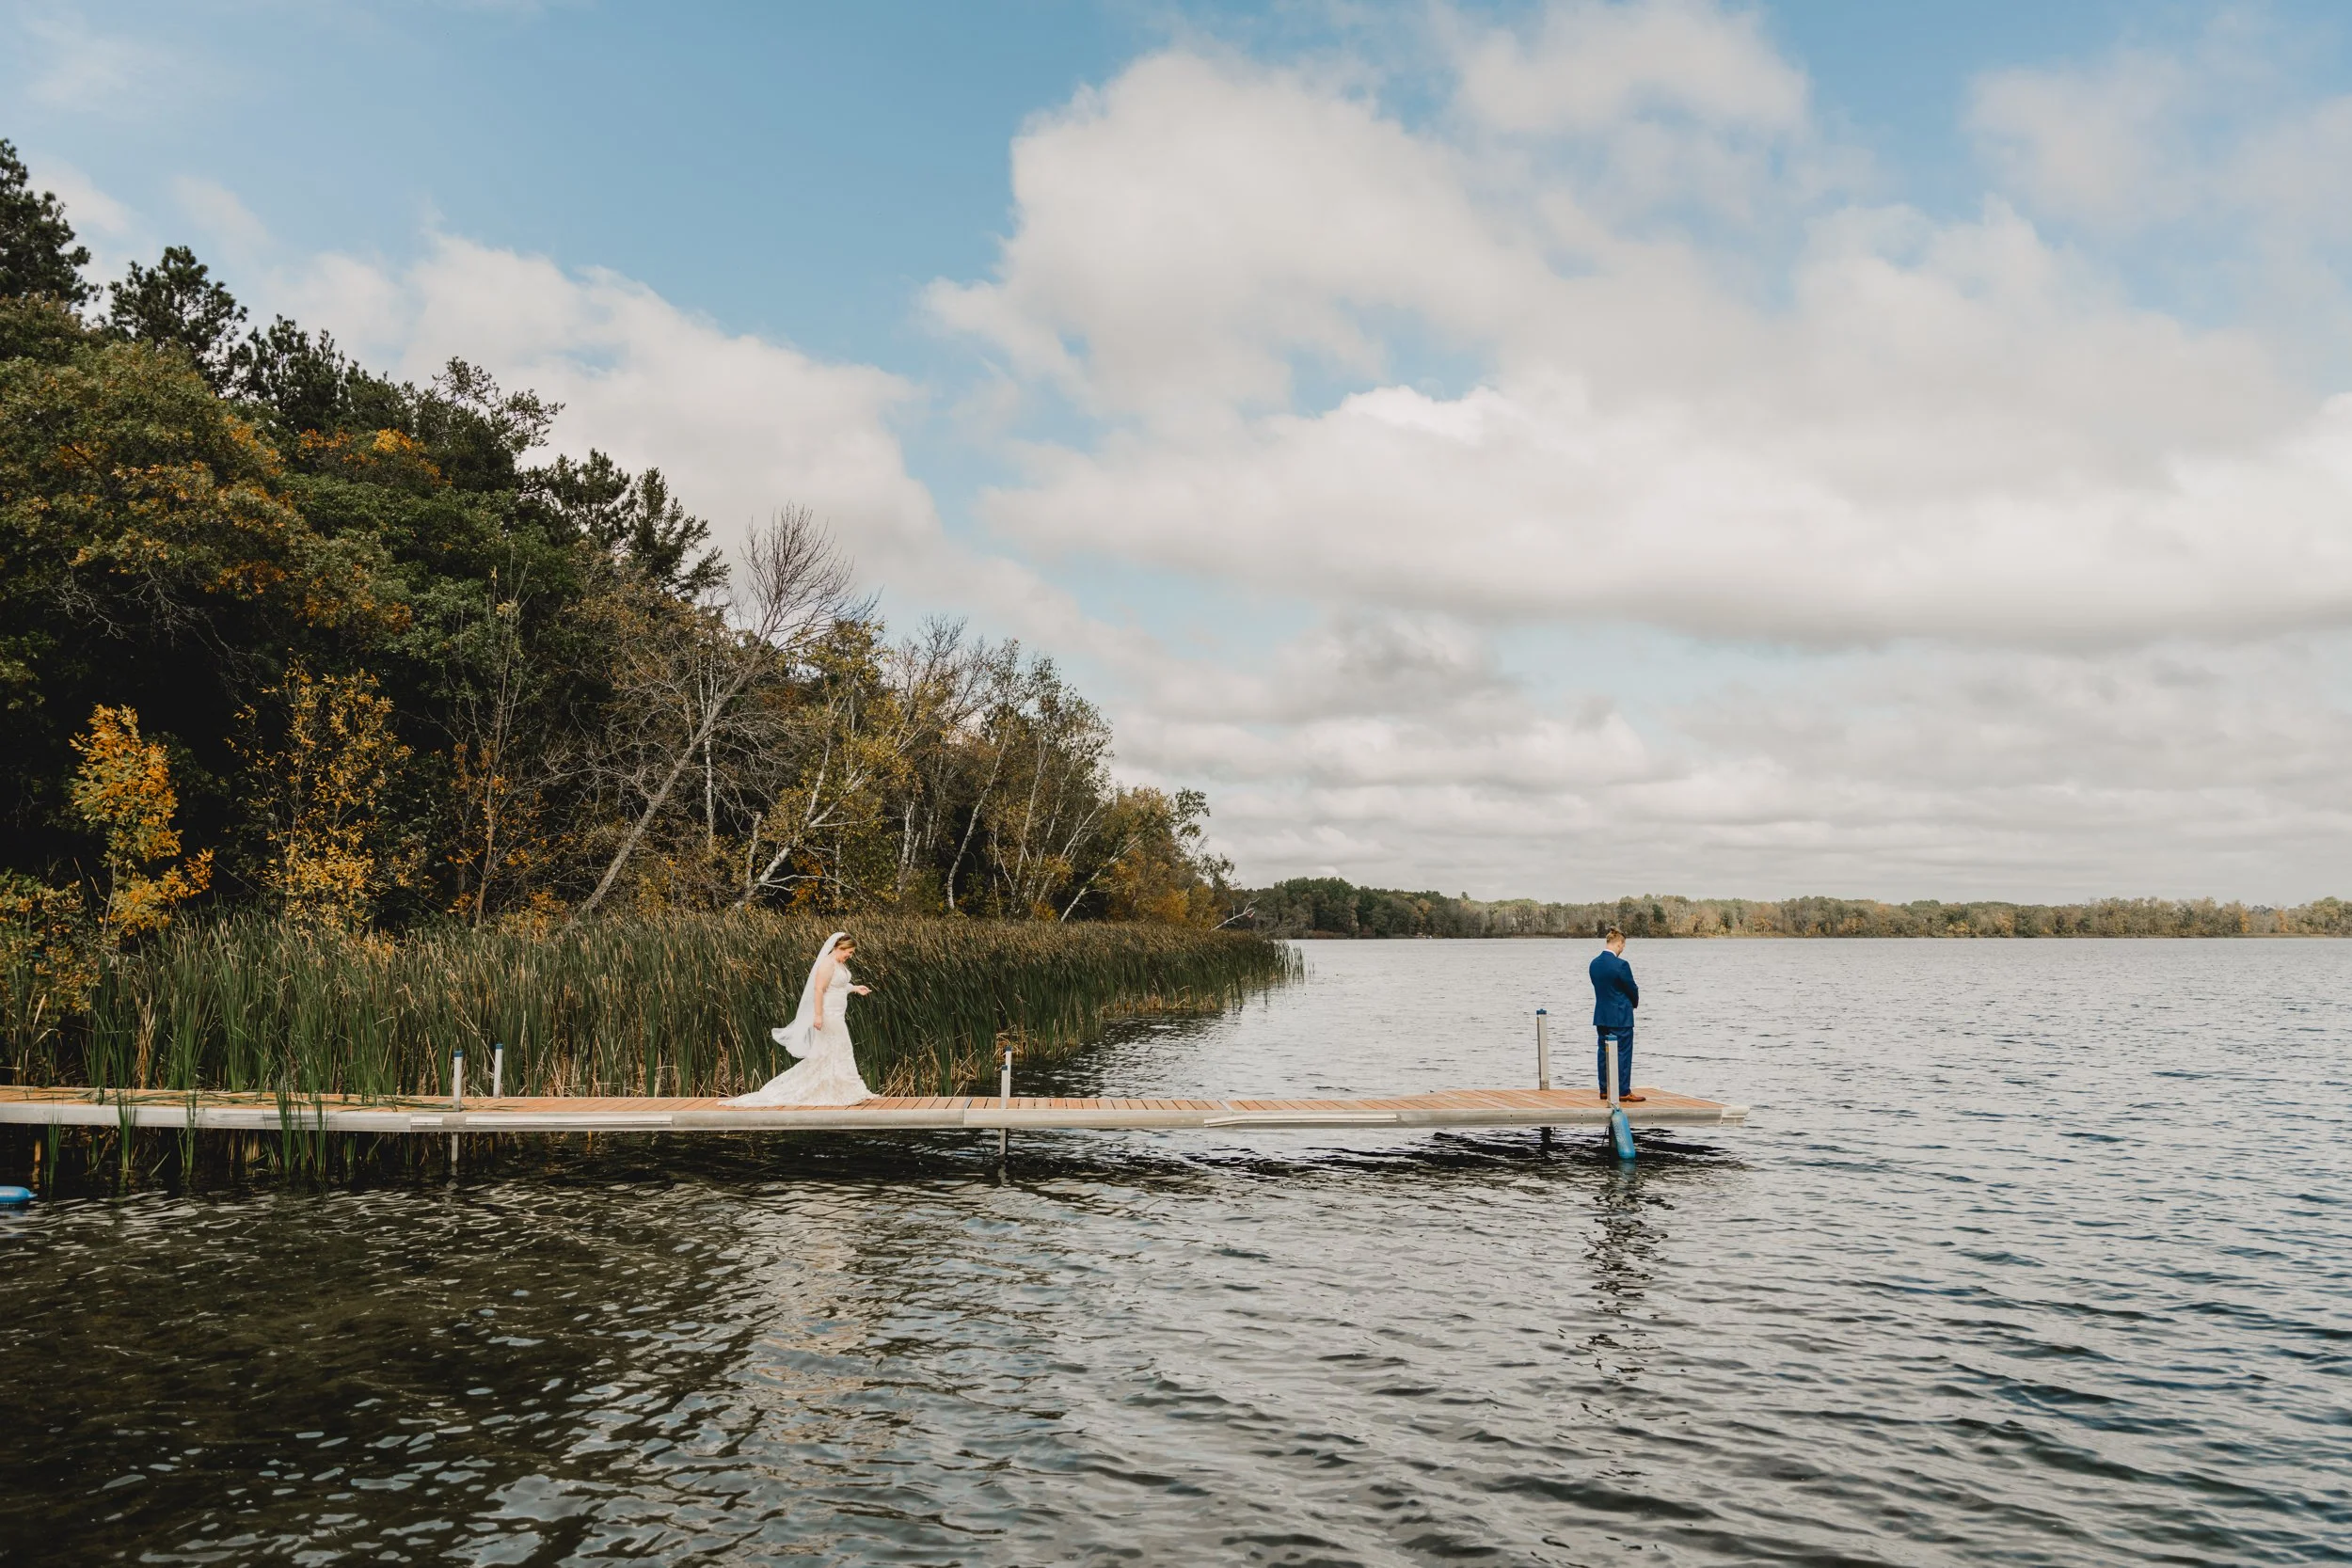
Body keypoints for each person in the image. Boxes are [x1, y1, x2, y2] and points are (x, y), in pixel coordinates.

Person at [724, 931, 875, 1106]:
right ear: (838, 948)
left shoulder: (838, 964)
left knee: (831, 1052)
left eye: (851, 953)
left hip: (838, 1013)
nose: (850, 956)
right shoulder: (827, 964)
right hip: (828, 1014)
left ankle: (841, 1090)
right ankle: (851, 1091)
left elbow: (837, 986)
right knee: (843, 1048)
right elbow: (819, 990)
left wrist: (855, 988)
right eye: (848, 952)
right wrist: (818, 1015)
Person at [1589, 927, 1645, 1104]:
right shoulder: (1621, 965)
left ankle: (1605, 1089)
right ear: (1619, 943)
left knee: (1602, 1052)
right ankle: (1622, 1091)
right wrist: (1634, 1003)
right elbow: (1632, 988)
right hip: (1620, 1015)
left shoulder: (1594, 964)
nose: (1622, 950)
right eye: (1622, 946)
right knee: (1623, 1052)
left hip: (1602, 1015)